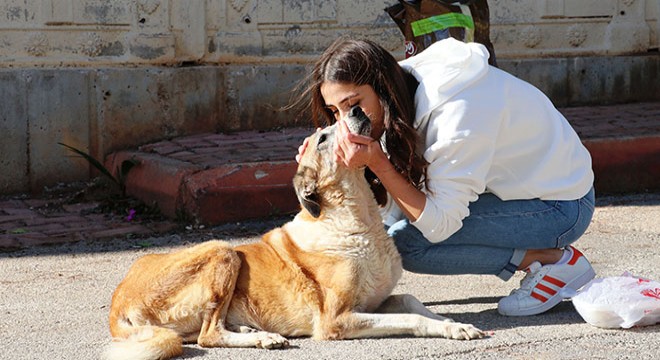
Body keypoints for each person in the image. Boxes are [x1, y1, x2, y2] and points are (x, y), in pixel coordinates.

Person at [294, 37, 596, 317]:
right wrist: (321, 161)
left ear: (381, 87)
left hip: (560, 206)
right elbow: (387, 207)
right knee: (384, 228)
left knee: (405, 244)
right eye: (335, 111)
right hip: (510, 190)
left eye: (352, 105)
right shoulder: (401, 92)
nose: (344, 122)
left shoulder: (458, 116)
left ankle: (553, 261)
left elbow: (439, 226)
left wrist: (377, 162)